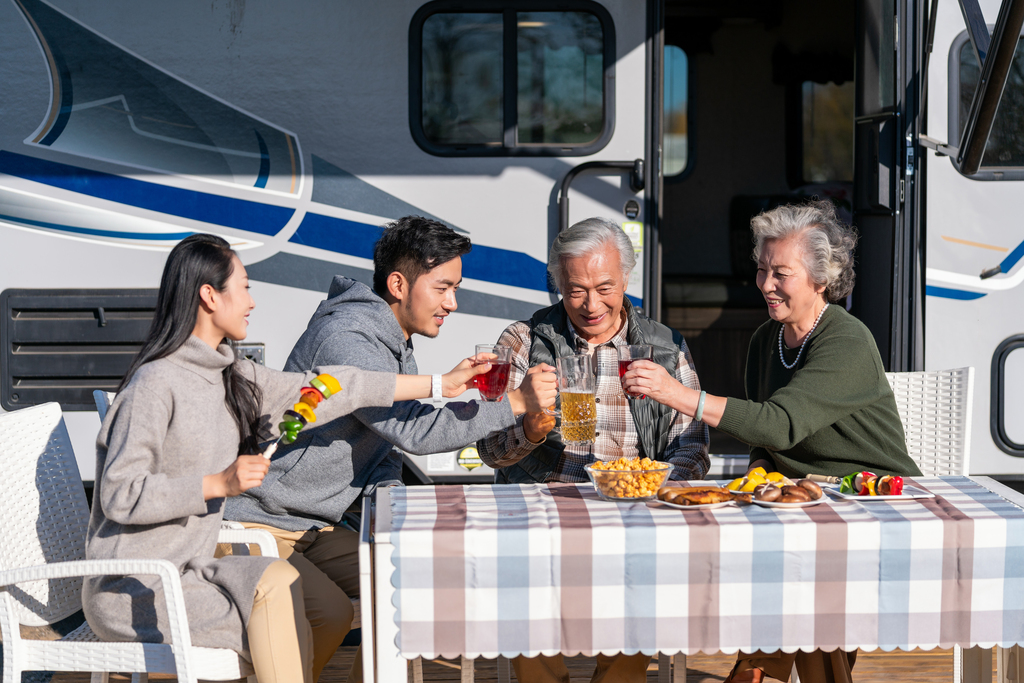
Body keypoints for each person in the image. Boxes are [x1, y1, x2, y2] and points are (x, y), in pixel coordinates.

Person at [84, 234, 491, 683]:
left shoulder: (233, 375)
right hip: (137, 589)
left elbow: (336, 386)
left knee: (323, 610)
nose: (253, 302)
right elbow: (120, 494)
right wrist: (217, 483)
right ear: (209, 295)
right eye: (244, 287)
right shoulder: (154, 385)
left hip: (197, 571)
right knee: (285, 603)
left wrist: (442, 385)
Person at [223, 216, 556, 680]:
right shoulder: (349, 338)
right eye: (443, 288)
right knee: (333, 612)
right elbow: (413, 431)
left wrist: (391, 505)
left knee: (412, 583)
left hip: (310, 524)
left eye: (455, 289)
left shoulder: (392, 339)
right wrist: (515, 403)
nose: (452, 303)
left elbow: (385, 446)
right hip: (258, 521)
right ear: (399, 284)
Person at [622, 200, 922, 683]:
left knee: (804, 592)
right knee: (788, 586)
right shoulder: (767, 338)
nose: (765, 285)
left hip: (871, 500)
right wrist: (759, 480)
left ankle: (755, 674)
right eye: (762, 270)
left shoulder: (846, 339)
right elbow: (764, 444)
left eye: (781, 273)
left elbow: (778, 423)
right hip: (803, 502)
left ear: (821, 278)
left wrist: (678, 395)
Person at [477, 216, 710, 683]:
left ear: (627, 278)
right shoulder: (523, 340)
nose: (590, 304)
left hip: (634, 510)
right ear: (558, 283)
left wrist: (657, 485)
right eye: (576, 289)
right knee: (525, 584)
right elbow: (488, 449)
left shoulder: (664, 347)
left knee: (649, 584)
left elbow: (694, 446)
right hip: (543, 506)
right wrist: (531, 430)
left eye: (605, 287)